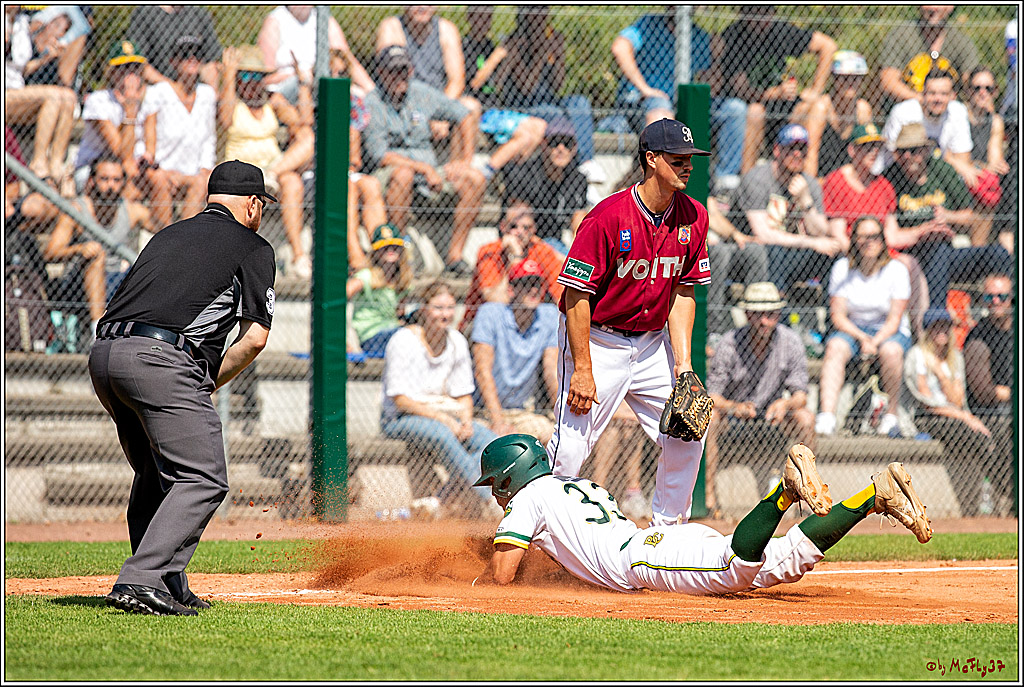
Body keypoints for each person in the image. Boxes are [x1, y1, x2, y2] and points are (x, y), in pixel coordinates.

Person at [90, 160, 277, 616]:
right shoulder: (252, 246)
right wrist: (203, 383)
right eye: (262, 205)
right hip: (160, 361)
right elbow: (254, 338)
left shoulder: (168, 233)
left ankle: (169, 585)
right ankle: (139, 580)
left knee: (158, 476)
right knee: (203, 476)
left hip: (104, 355)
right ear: (252, 204)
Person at [471, 434, 932, 593]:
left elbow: (503, 575)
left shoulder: (527, 499)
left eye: (494, 484)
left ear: (511, 476)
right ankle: (874, 495)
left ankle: (784, 493)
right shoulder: (574, 485)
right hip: (658, 544)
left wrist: (479, 563)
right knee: (787, 561)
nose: (495, 495)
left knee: (736, 569)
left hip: (643, 563)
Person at [547, 118, 711, 525]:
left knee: (689, 429)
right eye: (678, 159)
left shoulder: (694, 216)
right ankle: (535, 531)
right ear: (651, 160)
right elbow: (575, 295)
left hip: (652, 344)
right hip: (600, 342)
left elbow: (684, 291)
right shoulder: (607, 217)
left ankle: (667, 534)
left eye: (690, 158)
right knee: (570, 448)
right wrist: (583, 369)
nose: (688, 166)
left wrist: (684, 364)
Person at [362, 45, 486, 276]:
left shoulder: (422, 93)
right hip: (392, 172)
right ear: (380, 72)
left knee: (475, 179)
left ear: (410, 70)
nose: (399, 77)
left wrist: (464, 161)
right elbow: (381, 156)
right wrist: (424, 168)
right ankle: (398, 254)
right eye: (392, 71)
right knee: (403, 174)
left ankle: (455, 257)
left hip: (430, 171)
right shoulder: (372, 102)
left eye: (403, 70)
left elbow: (465, 115)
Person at [380, 281, 498, 515]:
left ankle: (436, 501)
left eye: (449, 308)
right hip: (400, 418)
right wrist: (445, 420)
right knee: (443, 436)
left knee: (488, 441)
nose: (445, 315)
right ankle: (489, 502)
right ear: (423, 309)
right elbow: (401, 400)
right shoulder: (402, 341)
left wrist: (465, 420)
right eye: (438, 308)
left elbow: (464, 394)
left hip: (445, 416)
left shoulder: (456, 341)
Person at [704, 282, 814, 512]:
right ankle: (709, 501)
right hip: (733, 419)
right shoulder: (729, 342)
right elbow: (712, 396)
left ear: (779, 314)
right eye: (757, 314)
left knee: (805, 418)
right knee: (710, 418)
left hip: (774, 418)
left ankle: (806, 497)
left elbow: (801, 394)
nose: (764, 321)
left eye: (770, 314)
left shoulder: (790, 341)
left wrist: (786, 403)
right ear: (746, 314)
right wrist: (735, 407)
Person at [883, 123, 1012, 310]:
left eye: (915, 150)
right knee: (936, 248)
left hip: (946, 254)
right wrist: (922, 232)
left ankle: (1005, 318)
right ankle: (935, 322)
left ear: (926, 150)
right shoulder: (890, 178)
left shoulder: (942, 171)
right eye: (903, 151)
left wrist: (948, 216)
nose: (909, 157)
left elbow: (970, 217)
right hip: (908, 253)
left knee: (999, 255)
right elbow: (889, 229)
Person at [821, 124, 929, 335]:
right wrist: (865, 255)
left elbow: (892, 235)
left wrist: (924, 231)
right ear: (852, 150)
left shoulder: (883, 186)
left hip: (881, 253)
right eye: (866, 147)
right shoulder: (837, 181)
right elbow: (838, 235)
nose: (873, 152)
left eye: (876, 147)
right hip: (853, 254)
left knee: (912, 264)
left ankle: (919, 335)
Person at [219, 44, 315, 279]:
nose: (252, 82)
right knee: (289, 179)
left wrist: (303, 85)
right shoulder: (232, 102)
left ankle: (299, 256)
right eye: (246, 75)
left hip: (273, 170)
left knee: (295, 174)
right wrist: (229, 77)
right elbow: (225, 120)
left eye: (257, 76)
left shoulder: (272, 100)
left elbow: (304, 121)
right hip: (241, 170)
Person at [814, 217, 912, 438]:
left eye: (875, 236)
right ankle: (827, 416)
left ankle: (891, 416)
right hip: (853, 329)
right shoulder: (841, 268)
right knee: (835, 347)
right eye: (864, 237)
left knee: (891, 351)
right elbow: (838, 317)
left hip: (888, 331)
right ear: (854, 240)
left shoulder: (897, 270)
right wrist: (862, 338)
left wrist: (875, 342)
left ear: (883, 240)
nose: (870, 242)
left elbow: (895, 319)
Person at [491, 5, 603, 184]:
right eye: (536, 11)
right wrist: (542, 54)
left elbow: (558, 85)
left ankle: (586, 162)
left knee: (579, 103)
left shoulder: (550, 38)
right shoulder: (517, 42)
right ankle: (575, 171)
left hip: (549, 99)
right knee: (556, 115)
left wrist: (559, 56)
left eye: (544, 11)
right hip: (524, 105)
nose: (541, 17)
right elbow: (526, 86)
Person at [44, 156, 155, 336]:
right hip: (80, 283)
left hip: (118, 281)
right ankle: (97, 331)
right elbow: (51, 252)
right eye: (104, 179)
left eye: (116, 180)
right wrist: (79, 249)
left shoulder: (131, 210)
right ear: (92, 181)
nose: (110, 186)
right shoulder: (77, 209)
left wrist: (157, 187)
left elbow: (163, 226)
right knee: (96, 253)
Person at [719, 5, 837, 175]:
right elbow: (741, 89)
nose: (763, 17)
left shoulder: (780, 30)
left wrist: (815, 91)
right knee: (755, 111)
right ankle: (749, 181)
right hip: (755, 105)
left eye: (768, 10)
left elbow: (828, 46)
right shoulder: (734, 35)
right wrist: (775, 93)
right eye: (756, 11)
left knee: (810, 109)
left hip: (784, 105)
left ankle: (803, 179)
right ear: (744, 12)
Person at [731, 123, 839, 298]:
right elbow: (764, 235)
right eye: (791, 148)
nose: (797, 154)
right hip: (754, 253)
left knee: (832, 253)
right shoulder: (757, 179)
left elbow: (820, 232)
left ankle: (829, 319)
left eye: (802, 149)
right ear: (777, 150)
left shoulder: (809, 184)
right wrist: (811, 243)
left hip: (793, 252)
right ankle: (779, 318)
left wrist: (806, 201)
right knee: (775, 251)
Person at [904, 308, 992, 516]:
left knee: (983, 434)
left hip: (955, 417)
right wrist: (965, 416)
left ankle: (980, 493)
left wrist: (942, 376)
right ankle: (982, 492)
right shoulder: (917, 355)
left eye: (945, 326)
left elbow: (958, 400)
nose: (942, 332)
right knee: (976, 435)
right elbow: (926, 402)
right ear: (927, 331)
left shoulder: (955, 357)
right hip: (925, 418)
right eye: (936, 327)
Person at [471, 259, 559, 444]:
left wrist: (562, 419)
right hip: (484, 411)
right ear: (511, 290)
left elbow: (552, 371)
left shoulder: (549, 315)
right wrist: (498, 421)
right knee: (493, 442)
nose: (534, 290)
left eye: (537, 284)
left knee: (556, 439)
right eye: (526, 284)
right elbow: (482, 371)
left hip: (522, 412)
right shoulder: (490, 314)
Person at [460, 5, 549, 183]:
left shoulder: (489, 45)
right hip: (480, 111)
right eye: (479, 17)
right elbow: (476, 82)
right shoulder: (465, 45)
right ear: (469, 17)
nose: (484, 22)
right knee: (525, 135)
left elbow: (497, 83)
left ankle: (509, 176)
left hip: (495, 110)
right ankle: (488, 172)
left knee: (539, 126)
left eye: (487, 18)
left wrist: (511, 58)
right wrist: (499, 55)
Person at [142, 36, 217, 230]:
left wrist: (204, 168)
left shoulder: (207, 94)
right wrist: (158, 167)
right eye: (185, 55)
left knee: (202, 183)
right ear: (173, 61)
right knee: (159, 181)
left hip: (193, 173)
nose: (192, 59)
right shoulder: (159, 92)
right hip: (163, 170)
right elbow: (146, 131)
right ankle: (166, 238)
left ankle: (185, 241)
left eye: (197, 55)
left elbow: (209, 137)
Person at [460, 202, 565, 336]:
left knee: (552, 315)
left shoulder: (542, 251)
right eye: (513, 226)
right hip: (486, 326)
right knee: (491, 311)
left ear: (534, 230)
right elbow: (495, 299)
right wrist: (515, 257)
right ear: (503, 227)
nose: (520, 233)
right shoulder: (490, 251)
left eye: (526, 228)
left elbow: (561, 299)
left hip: (528, 323)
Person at [4, 5, 76, 184]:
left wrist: (46, 58)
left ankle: (56, 165)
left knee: (68, 96)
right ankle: (38, 162)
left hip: (16, 91)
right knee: (52, 96)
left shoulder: (21, 23)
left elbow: (21, 68)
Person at [73, 40, 153, 197]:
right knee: (126, 172)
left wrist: (146, 157)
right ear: (112, 72)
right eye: (123, 68)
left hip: (132, 168)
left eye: (135, 68)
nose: (130, 75)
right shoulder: (98, 100)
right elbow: (121, 153)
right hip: (94, 169)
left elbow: (151, 147)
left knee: (157, 178)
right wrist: (130, 110)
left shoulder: (149, 98)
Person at [502, 118, 591, 255]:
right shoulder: (525, 174)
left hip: (554, 244)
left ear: (574, 149)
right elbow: (518, 225)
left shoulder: (577, 179)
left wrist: (581, 253)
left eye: (567, 144)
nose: (561, 149)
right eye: (554, 143)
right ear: (544, 145)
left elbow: (579, 221)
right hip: (522, 243)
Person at [875, 69, 976, 188]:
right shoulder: (903, 112)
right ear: (923, 94)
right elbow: (896, 155)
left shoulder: (958, 111)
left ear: (953, 96)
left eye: (944, 94)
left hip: (936, 178)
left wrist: (949, 161)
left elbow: (963, 160)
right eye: (932, 93)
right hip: (894, 176)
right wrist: (947, 158)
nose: (937, 99)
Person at [257, 5, 375, 104]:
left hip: (321, 81)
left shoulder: (324, 18)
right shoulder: (275, 20)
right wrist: (300, 75)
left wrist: (371, 90)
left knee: (360, 95)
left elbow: (347, 59)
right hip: (287, 86)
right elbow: (266, 76)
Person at [877, 5, 980, 111]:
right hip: (909, 109)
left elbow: (971, 82)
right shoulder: (901, 35)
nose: (933, 8)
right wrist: (923, 100)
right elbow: (888, 81)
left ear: (950, 6)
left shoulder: (961, 41)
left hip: (946, 111)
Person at [803, 50, 874, 179]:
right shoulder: (821, 108)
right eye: (845, 78)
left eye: (856, 77)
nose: (851, 83)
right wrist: (812, 189)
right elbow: (811, 154)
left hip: (849, 182)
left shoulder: (863, 109)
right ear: (835, 79)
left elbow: (866, 153)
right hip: (821, 180)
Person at [345, 224, 412, 358]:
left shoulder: (402, 280)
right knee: (410, 335)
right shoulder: (366, 276)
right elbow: (339, 297)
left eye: (395, 247)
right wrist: (343, 340)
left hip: (394, 331)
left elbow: (400, 313)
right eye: (385, 248)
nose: (391, 250)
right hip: (373, 336)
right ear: (375, 252)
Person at [705, 195, 768, 335]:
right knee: (720, 253)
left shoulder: (711, 176)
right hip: (701, 247)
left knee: (755, 251)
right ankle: (714, 330)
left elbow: (712, 213)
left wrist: (735, 235)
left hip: (724, 242)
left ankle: (756, 324)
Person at [964, 66, 1010, 248]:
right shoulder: (960, 115)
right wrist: (973, 166)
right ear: (968, 91)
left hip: (979, 178)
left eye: (988, 89)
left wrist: (978, 167)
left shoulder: (995, 121)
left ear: (995, 92)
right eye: (977, 88)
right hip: (958, 175)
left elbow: (994, 162)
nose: (982, 93)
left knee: (990, 185)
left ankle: (979, 251)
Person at [127, 5, 222, 86]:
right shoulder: (145, 12)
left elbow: (210, 64)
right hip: (159, 88)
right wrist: (172, 88)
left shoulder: (198, 13)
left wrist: (212, 95)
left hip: (192, 89)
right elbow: (140, 65)